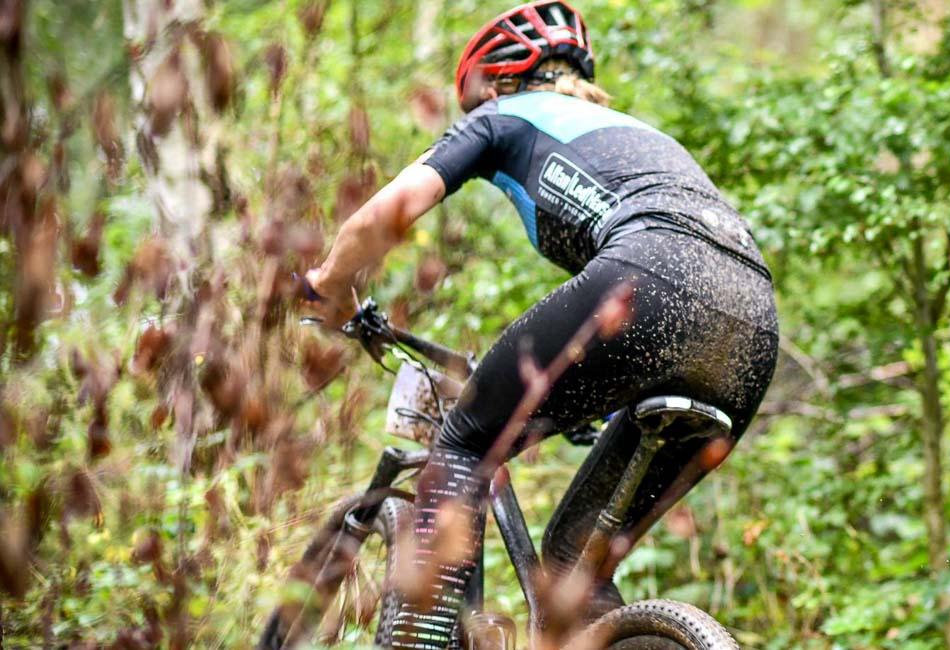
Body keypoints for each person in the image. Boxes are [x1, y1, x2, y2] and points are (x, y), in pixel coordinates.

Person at [301, 1, 778, 647]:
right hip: (752, 324)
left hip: (650, 276)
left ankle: (418, 639)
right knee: (572, 569)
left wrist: (327, 286)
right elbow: (671, 286)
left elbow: (384, 216)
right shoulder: (636, 136)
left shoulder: (502, 115)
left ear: (494, 84)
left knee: (467, 441)